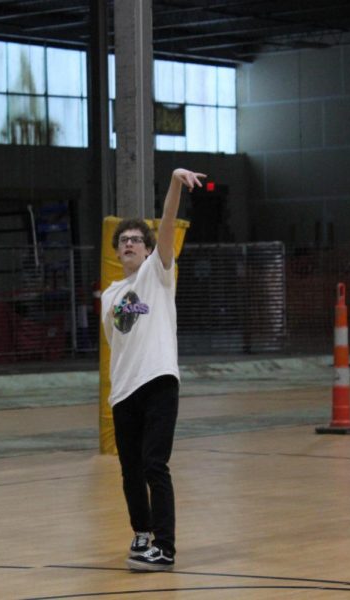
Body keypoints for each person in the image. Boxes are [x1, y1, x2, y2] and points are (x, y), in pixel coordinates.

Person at [101, 167, 205, 572]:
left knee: (153, 464)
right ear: (117, 251)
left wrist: (175, 182)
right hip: (124, 392)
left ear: (148, 250)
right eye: (123, 240)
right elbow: (120, 344)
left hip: (159, 380)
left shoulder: (158, 274)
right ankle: (142, 533)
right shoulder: (110, 295)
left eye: (136, 240)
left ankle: (165, 546)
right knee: (129, 472)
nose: (129, 243)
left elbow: (164, 225)